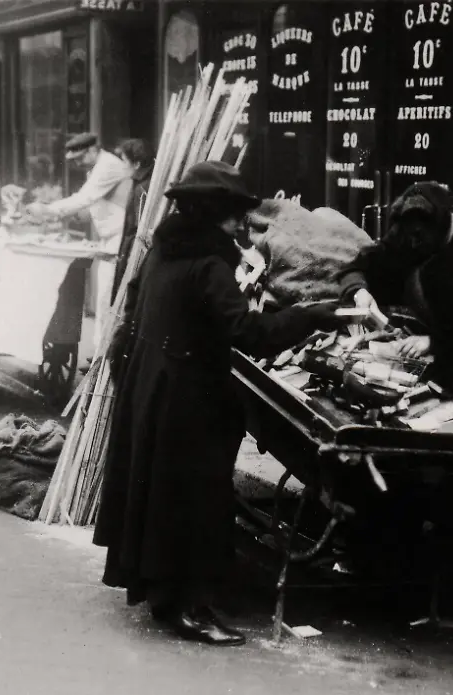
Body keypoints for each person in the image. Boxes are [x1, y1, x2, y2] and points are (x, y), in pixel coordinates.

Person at [92, 161, 350, 646]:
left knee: (162, 492)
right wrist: (312, 314)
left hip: (152, 383)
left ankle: (163, 592)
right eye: (232, 213)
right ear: (212, 212)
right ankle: (190, 608)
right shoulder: (210, 264)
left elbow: (137, 305)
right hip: (187, 396)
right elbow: (248, 333)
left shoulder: (162, 249)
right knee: (197, 498)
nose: (239, 223)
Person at [338, 181, 453, 564]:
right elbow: (359, 265)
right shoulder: (408, 232)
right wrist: (358, 290)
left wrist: (435, 342)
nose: (412, 246)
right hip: (428, 366)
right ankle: (407, 522)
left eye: (419, 241)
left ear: (441, 227)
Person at [26, 133, 131, 354]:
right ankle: (103, 354)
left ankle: (104, 357)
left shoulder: (108, 165)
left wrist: (48, 210)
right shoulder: (97, 167)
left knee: (106, 301)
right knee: (105, 301)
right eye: (73, 160)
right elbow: (91, 206)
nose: (77, 164)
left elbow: (85, 198)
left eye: (80, 158)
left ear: (93, 150)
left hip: (120, 240)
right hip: (110, 240)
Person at [110, 138, 154, 305]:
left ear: (136, 164)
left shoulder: (142, 188)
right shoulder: (142, 183)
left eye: (124, 161)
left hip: (136, 251)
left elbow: (138, 227)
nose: (122, 166)